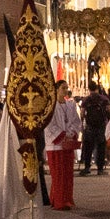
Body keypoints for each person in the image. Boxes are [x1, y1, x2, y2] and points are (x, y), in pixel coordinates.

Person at [43, 81, 80, 210]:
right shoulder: (50, 106)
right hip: (56, 145)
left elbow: (76, 121)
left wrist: (71, 133)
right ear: (56, 89)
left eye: (66, 88)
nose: (65, 90)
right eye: (63, 88)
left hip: (68, 143)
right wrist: (62, 134)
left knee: (68, 174)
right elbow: (48, 125)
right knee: (58, 174)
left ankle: (66, 199)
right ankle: (59, 201)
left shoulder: (70, 105)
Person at [79, 81, 110, 176]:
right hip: (101, 126)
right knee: (101, 147)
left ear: (89, 89)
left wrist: (84, 122)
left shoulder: (86, 100)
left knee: (88, 147)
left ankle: (87, 167)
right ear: (97, 88)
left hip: (90, 126)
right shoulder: (104, 99)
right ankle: (100, 168)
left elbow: (82, 113)